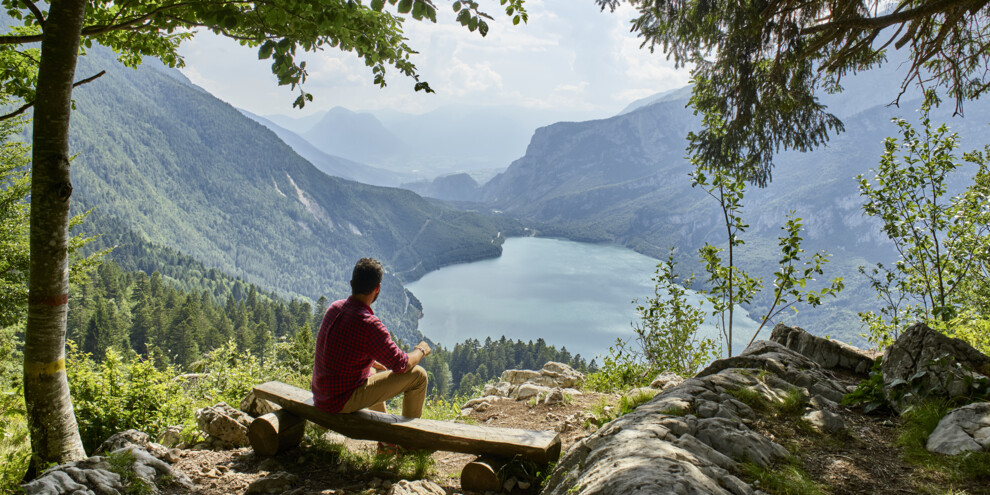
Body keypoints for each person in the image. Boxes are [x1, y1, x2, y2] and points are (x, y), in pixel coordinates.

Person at [311, 257, 431, 419]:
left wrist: (370, 361)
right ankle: (409, 442)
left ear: (352, 283)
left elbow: (337, 351)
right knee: (418, 376)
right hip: (338, 402)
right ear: (377, 288)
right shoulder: (368, 324)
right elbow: (402, 364)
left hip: (321, 394)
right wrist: (420, 350)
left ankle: (385, 441)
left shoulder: (335, 308)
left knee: (374, 369)